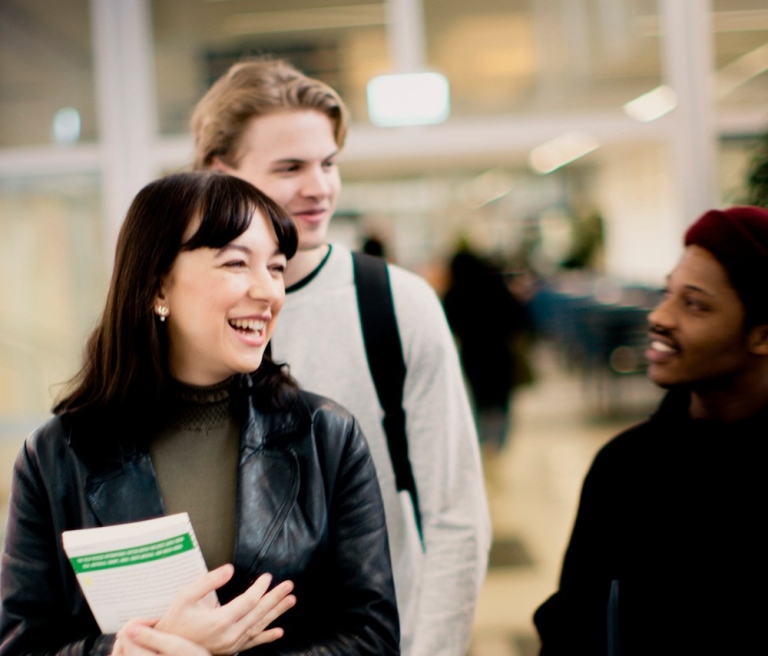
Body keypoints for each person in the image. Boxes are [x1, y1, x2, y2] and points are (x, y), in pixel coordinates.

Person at [0, 171, 399, 656]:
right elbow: (21, 645)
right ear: (157, 287)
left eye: (275, 268)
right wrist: (123, 652)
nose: (268, 292)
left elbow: (373, 638)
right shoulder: (57, 456)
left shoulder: (327, 436)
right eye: (236, 263)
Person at [191, 58, 491, 656]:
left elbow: (457, 517)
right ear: (218, 172)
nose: (319, 187)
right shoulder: (179, 314)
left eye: (328, 163)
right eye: (290, 167)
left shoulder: (396, 305)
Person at [534, 205, 768, 655]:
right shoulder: (625, 468)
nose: (659, 316)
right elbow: (574, 627)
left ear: (763, 335)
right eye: (667, 293)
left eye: (694, 304)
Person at [443, 246, 532, 454]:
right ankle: (499, 444)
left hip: (472, 356)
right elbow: (519, 318)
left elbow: (449, 325)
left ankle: (481, 443)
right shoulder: (497, 286)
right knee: (501, 399)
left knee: (477, 399)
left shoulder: (454, 293)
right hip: (500, 353)